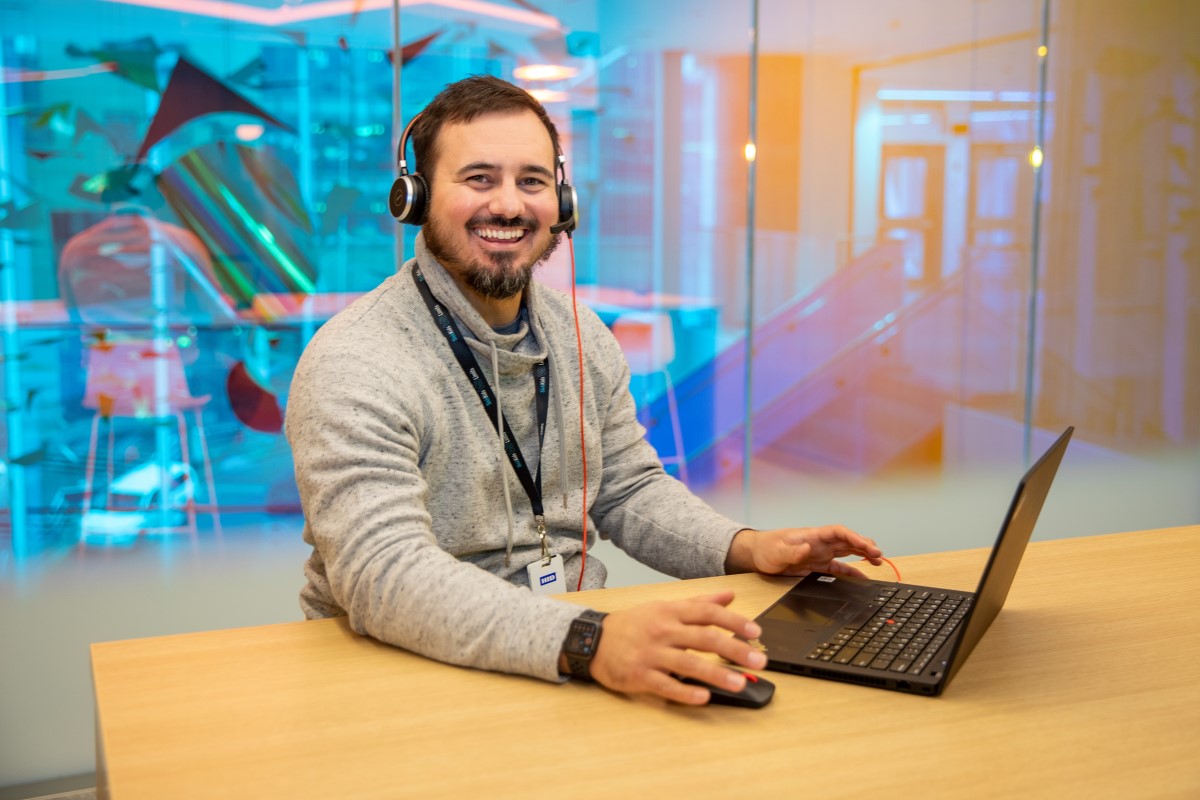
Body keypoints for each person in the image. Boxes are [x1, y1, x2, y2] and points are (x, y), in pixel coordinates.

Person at [285, 75, 882, 705]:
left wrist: (747, 547)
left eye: (533, 181)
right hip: (399, 673)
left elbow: (626, 487)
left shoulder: (580, 335)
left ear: (562, 203)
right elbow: (385, 574)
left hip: (563, 652)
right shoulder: (358, 359)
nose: (510, 205)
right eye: (479, 179)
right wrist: (592, 641)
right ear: (417, 197)